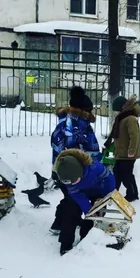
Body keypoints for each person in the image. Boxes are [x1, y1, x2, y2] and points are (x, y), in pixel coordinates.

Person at [48, 86, 102, 234]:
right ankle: (64, 228)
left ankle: (58, 224)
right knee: (74, 201)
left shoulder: (68, 124)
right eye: (89, 111)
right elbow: (81, 153)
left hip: (63, 169)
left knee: (69, 199)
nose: (91, 113)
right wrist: (96, 166)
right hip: (74, 172)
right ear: (83, 111)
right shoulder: (75, 128)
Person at [53, 149, 115, 256]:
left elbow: (109, 179)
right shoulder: (67, 177)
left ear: (79, 172)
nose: (71, 183)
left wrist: (103, 197)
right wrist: (88, 210)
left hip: (98, 191)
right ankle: (66, 243)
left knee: (97, 214)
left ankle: (86, 239)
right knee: (71, 212)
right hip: (79, 193)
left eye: (73, 180)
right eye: (68, 182)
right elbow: (77, 195)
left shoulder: (95, 168)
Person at [104, 95, 140, 202]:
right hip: (121, 152)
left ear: (122, 108)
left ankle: (133, 194)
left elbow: (134, 136)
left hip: (128, 154)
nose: (116, 113)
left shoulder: (130, 119)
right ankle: (114, 193)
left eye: (117, 110)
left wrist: (131, 151)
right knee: (117, 173)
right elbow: (119, 136)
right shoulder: (122, 118)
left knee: (126, 175)